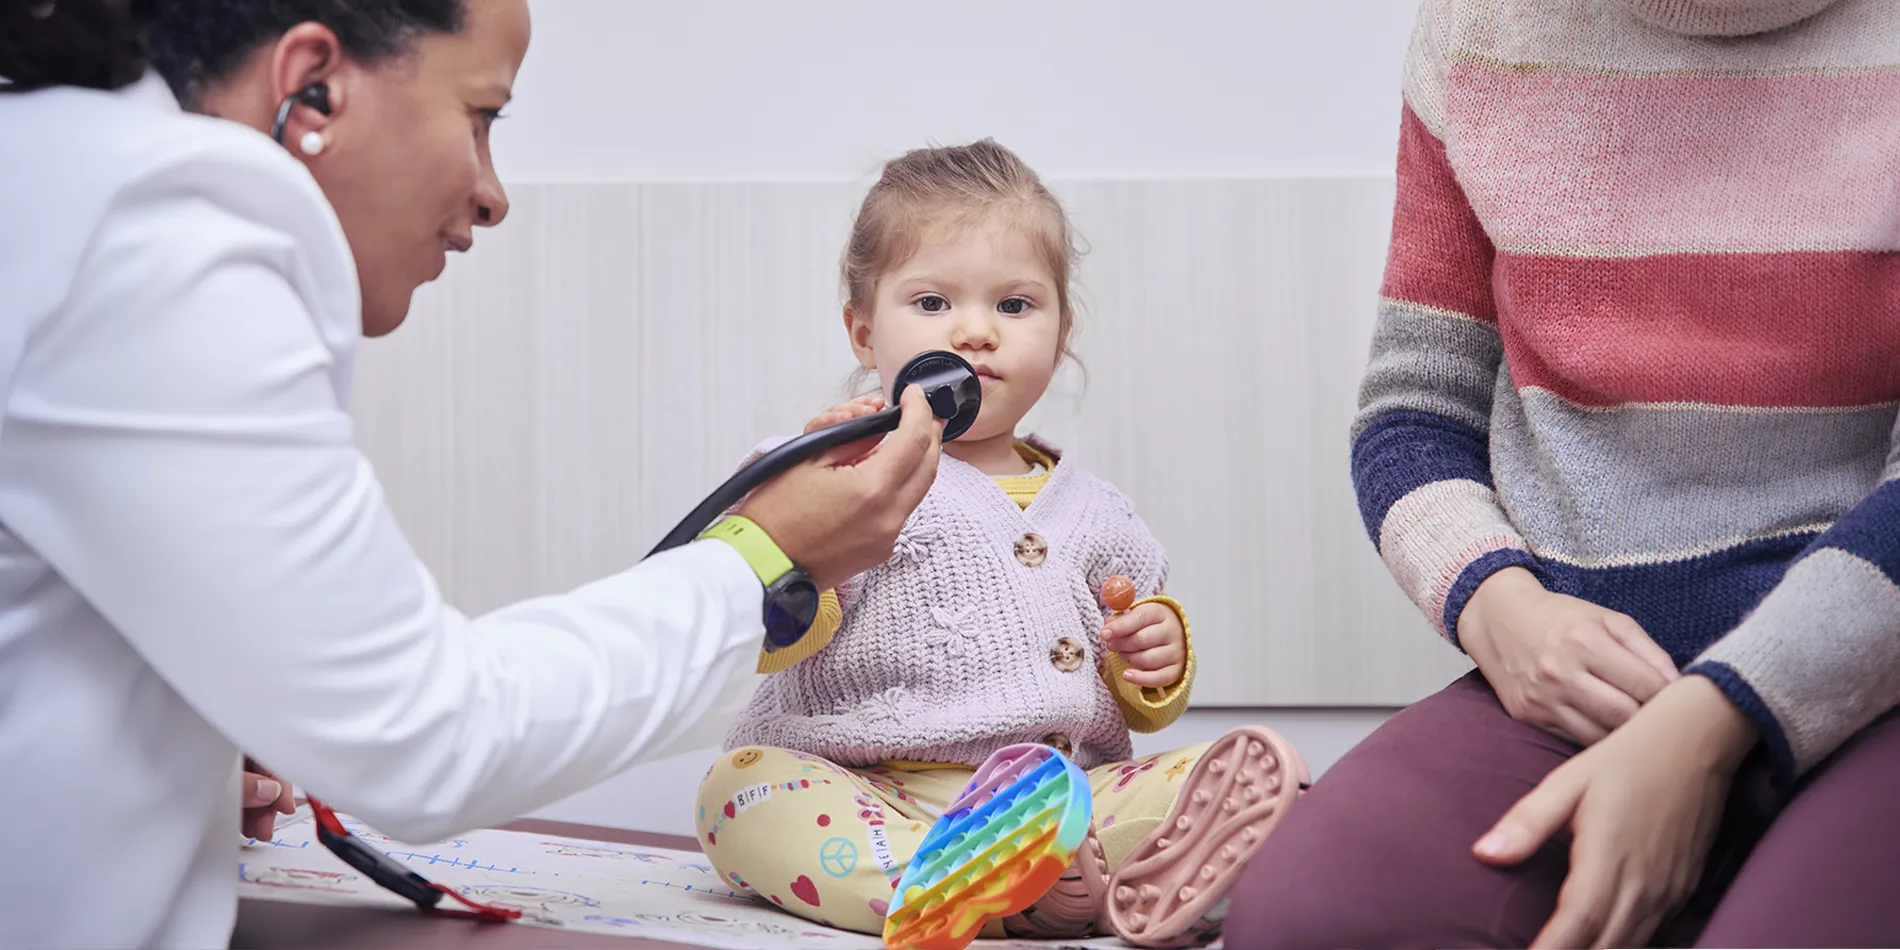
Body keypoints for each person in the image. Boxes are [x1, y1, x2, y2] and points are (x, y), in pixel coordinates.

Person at [0, 2, 944, 947]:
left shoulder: (57, 174)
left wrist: (188, 730)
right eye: (482, 115)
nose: (494, 194)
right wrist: (763, 560)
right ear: (311, 83)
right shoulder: (153, 230)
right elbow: (426, 737)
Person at [1225, 0, 1900, 947]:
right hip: (1579, 678)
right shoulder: (1479, 28)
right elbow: (1414, 414)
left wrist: (1708, 731)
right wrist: (1503, 613)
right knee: (1312, 919)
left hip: (1875, 685)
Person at [692, 140, 1310, 949]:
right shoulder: (830, 473)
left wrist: (1152, 658)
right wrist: (798, 534)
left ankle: (1046, 873)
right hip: (869, 788)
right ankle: (973, 880)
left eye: (1015, 306)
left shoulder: (1102, 514)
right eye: (932, 302)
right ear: (861, 330)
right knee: (736, 795)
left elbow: (1133, 693)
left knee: (1247, 774)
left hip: (1062, 800)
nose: (977, 332)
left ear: (1060, 334)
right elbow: (759, 636)